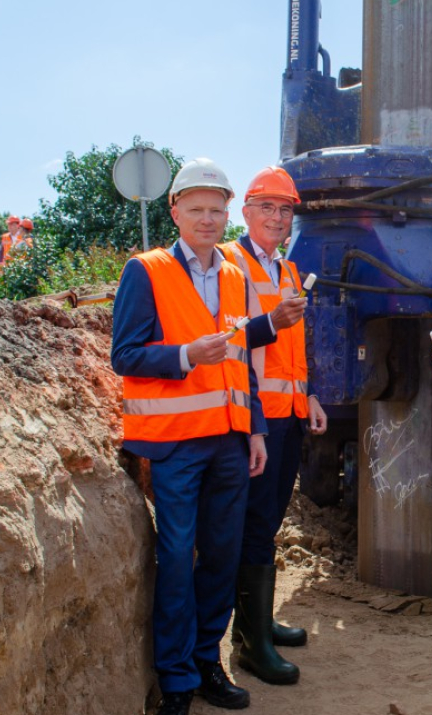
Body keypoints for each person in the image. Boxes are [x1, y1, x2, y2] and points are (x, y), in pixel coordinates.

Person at [110, 158, 279, 715]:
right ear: (175, 210)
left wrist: (254, 428)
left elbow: (241, 359)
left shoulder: (232, 273)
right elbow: (125, 355)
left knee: (222, 559)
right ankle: (177, 679)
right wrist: (184, 355)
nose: (208, 219)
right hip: (177, 443)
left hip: (229, 441)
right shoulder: (147, 270)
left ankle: (208, 659)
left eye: (216, 209)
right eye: (197, 209)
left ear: (228, 211)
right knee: (179, 557)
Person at [217, 166, 321, 686]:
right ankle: (250, 644)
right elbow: (228, 344)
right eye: (268, 208)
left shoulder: (287, 269)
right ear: (247, 213)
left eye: (285, 210)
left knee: (269, 525)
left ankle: (258, 623)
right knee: (253, 528)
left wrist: (311, 397)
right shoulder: (229, 266)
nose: (278, 218)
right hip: (250, 423)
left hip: (288, 419)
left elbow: (292, 352)